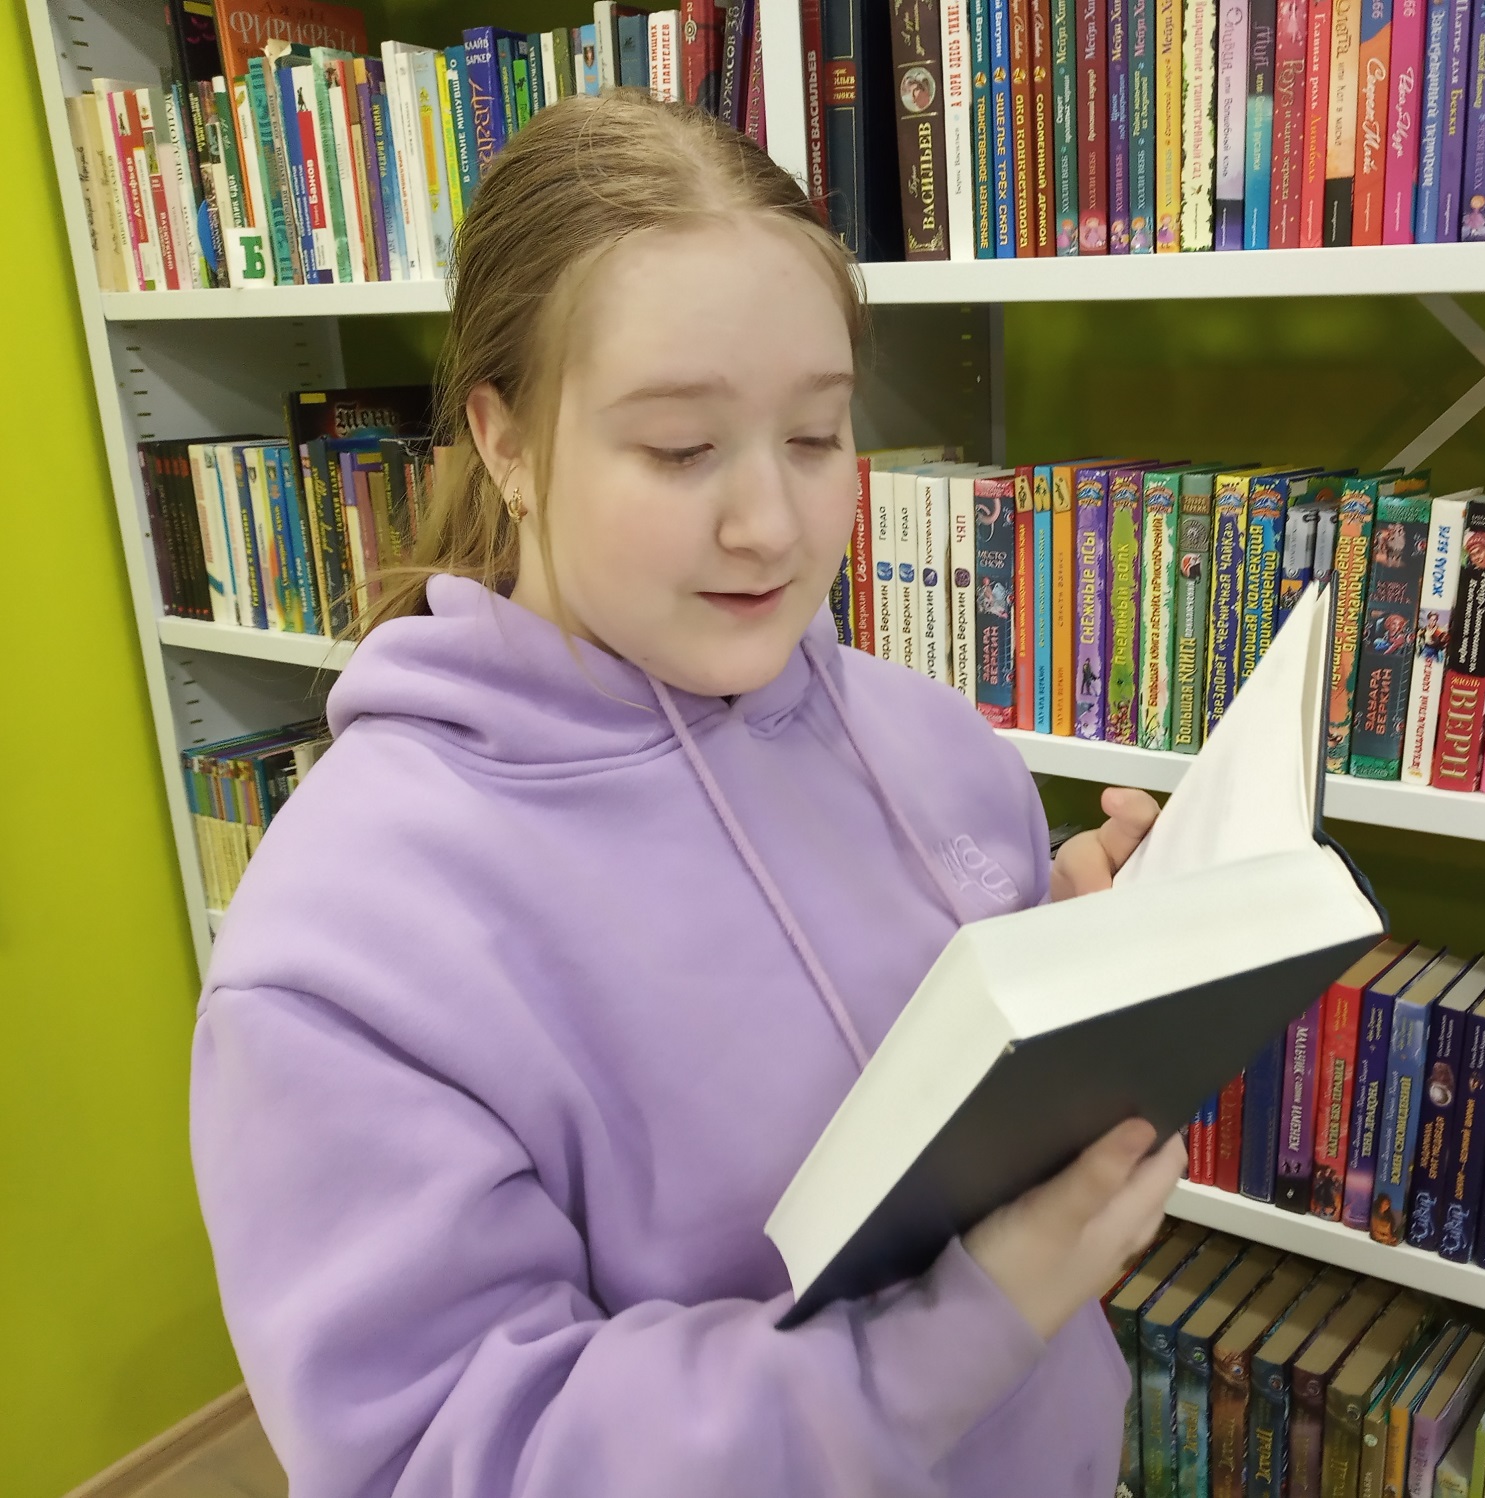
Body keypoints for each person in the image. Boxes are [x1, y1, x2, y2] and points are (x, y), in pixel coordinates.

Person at [190, 92, 1183, 1498]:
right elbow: (460, 1459)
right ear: (505, 441)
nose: (770, 526)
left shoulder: (936, 743)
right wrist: (964, 1324)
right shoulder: (346, 948)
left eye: (817, 435)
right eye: (677, 448)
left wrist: (1081, 966)